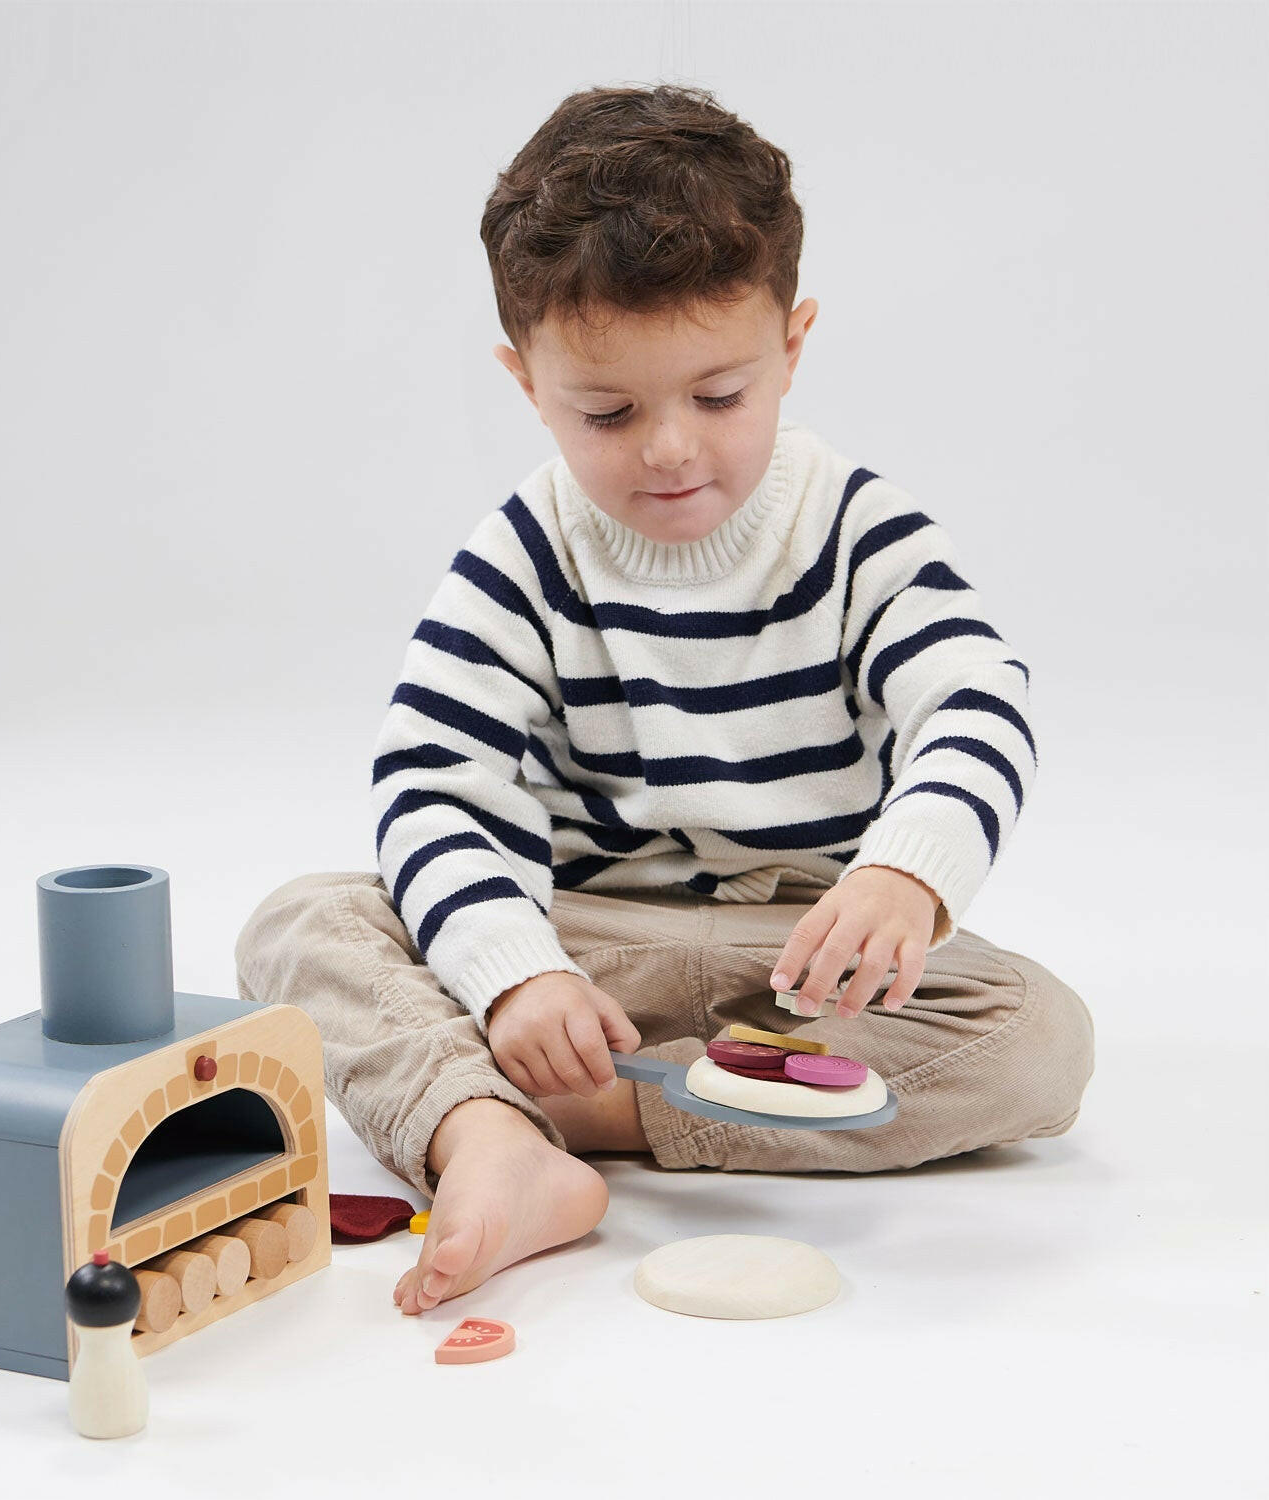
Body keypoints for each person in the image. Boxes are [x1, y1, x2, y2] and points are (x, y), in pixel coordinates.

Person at [234, 82, 1095, 1318]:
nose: (672, 448)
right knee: (301, 923)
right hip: (582, 948)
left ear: (791, 346)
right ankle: (497, 1131)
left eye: (720, 396)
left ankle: (556, 1115)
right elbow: (435, 784)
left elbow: (974, 697)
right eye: (608, 412)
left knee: (1037, 1040)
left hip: (799, 963)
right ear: (527, 382)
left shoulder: (857, 530)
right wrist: (517, 978)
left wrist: (905, 877)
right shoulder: (525, 553)